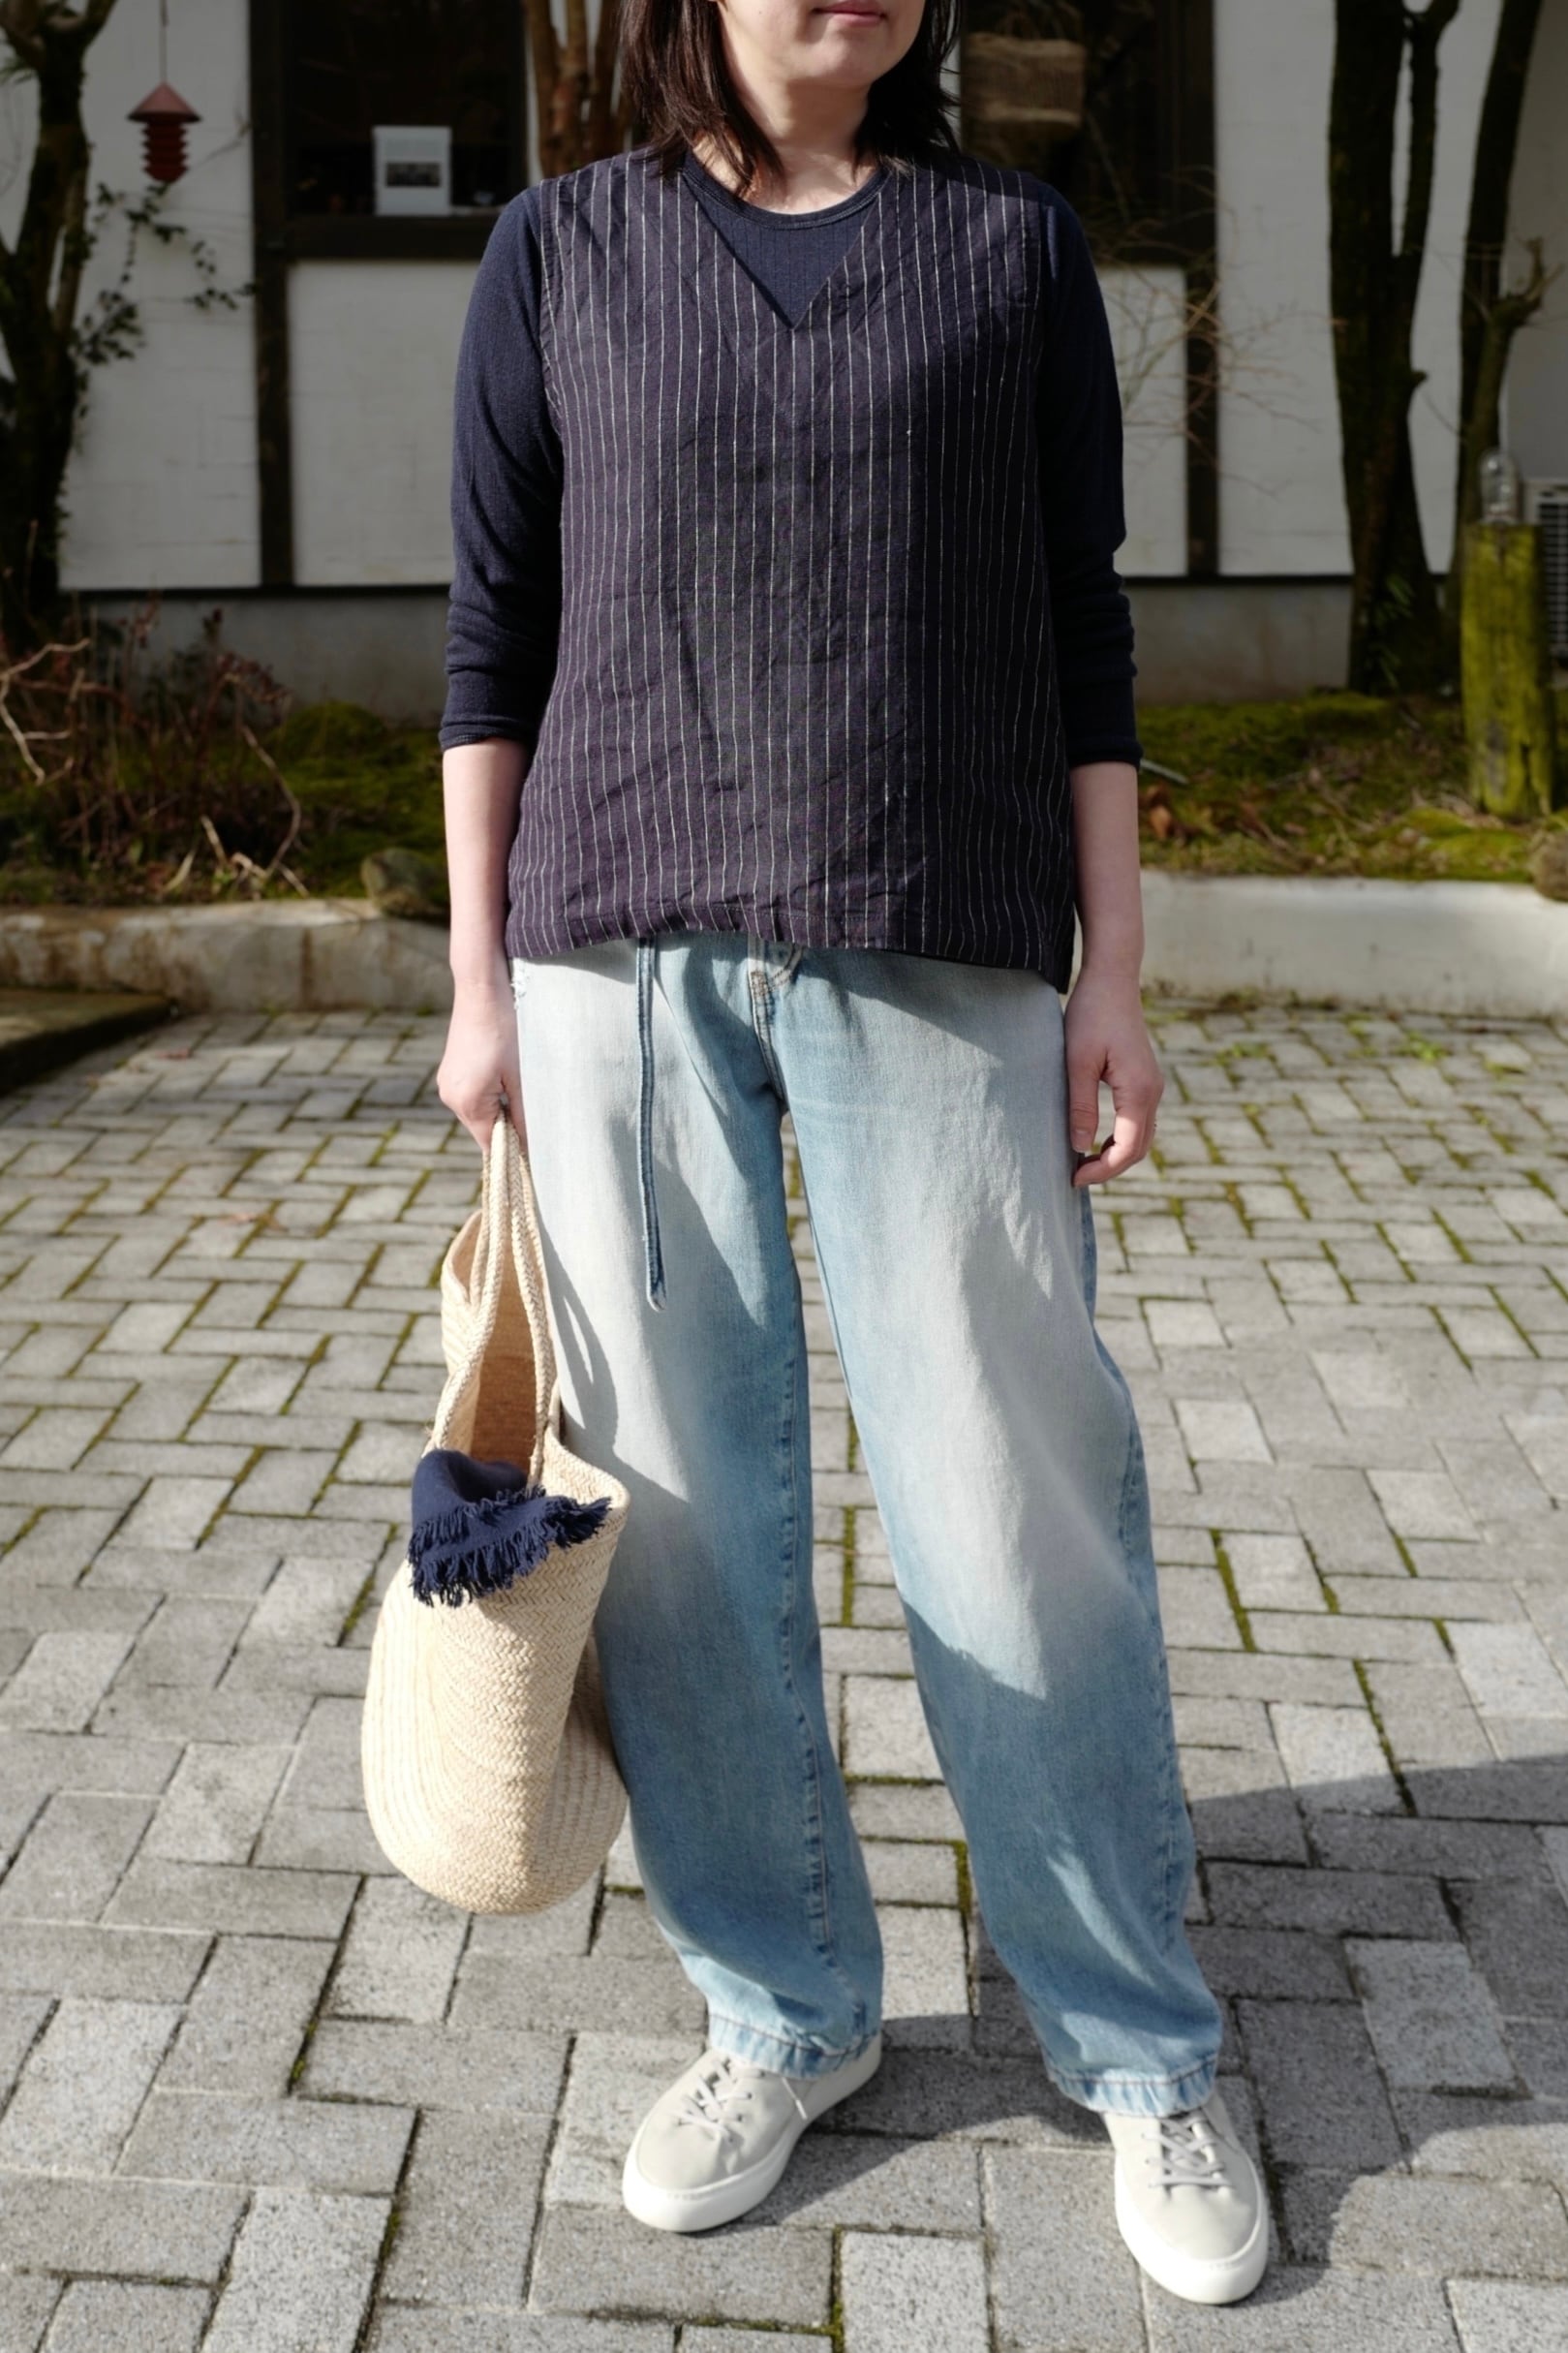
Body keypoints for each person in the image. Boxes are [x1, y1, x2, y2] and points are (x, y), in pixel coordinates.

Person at [435, 0, 1267, 2308]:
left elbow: (1082, 631)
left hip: (942, 925)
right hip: (617, 957)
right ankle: (783, 2007)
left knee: (1008, 1497)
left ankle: (1135, 2040)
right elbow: (495, 633)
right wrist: (479, 984)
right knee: (683, 1522)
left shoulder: (1010, 251)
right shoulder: (559, 251)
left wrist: (1116, 971)